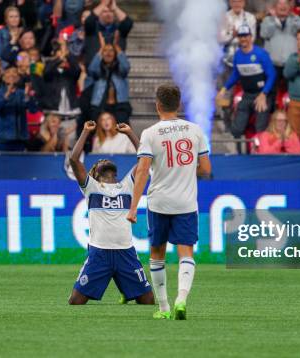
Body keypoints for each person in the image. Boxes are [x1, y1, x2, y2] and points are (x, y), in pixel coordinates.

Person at [127, 84, 212, 320]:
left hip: (159, 202)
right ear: (179, 105)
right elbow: (206, 169)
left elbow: (143, 170)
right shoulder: (195, 130)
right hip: (185, 203)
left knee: (157, 253)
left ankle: (163, 308)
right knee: (186, 253)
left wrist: (133, 208)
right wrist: (185, 169)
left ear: (157, 106)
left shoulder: (150, 133)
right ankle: (181, 299)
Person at [67, 119, 154, 305]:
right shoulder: (91, 187)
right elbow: (74, 160)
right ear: (95, 175)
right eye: (99, 162)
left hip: (126, 253)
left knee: (147, 301)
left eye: (105, 160)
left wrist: (130, 133)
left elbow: (146, 159)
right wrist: (85, 132)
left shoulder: (128, 185)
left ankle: (125, 288)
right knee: (75, 301)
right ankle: (124, 288)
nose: (103, 161)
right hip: (99, 254)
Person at [216, 25, 276, 141]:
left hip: (262, 95)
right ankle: (239, 154)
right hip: (247, 95)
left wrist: (264, 94)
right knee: (236, 129)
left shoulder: (261, 54)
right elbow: (236, 74)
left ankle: (261, 154)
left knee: (260, 128)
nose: (243, 39)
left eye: (246, 36)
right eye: (241, 36)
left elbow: (272, 75)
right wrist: (224, 89)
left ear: (251, 37)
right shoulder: (238, 55)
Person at [0, 66, 38, 151]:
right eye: (8, 72)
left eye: (14, 72)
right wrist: (7, 94)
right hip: (3, 138)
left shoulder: (22, 93)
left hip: (21, 138)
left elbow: (33, 110)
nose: (11, 74)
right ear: (3, 78)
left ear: (18, 78)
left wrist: (27, 96)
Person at [88, 43, 131, 125]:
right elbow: (91, 70)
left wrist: (118, 50)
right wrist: (100, 50)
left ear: (115, 54)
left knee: (122, 132)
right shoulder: (98, 70)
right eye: (105, 51)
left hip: (120, 105)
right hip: (100, 105)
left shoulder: (120, 70)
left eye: (111, 50)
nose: (108, 53)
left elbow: (126, 67)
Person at [260, 0, 300, 74]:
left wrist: (294, 16)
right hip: (272, 63)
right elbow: (265, 34)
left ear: (290, 7)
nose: (283, 6)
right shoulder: (267, 20)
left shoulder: (296, 19)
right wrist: (275, 19)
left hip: (291, 63)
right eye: (279, 3)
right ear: (274, 7)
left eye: (285, 3)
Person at [83, 0, 133, 66]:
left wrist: (115, 8)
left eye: (111, 12)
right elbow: (89, 21)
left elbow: (128, 23)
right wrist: (103, 4)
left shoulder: (119, 30)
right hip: (96, 70)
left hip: (115, 69)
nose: (108, 14)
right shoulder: (92, 29)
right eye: (105, 12)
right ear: (99, 14)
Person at [220, 0, 257, 68]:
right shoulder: (224, 17)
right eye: (234, 1)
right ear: (230, 3)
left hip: (245, 57)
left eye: (240, 1)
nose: (237, 4)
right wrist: (232, 35)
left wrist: (237, 37)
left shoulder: (250, 17)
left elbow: (252, 39)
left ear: (244, 3)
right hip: (226, 59)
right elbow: (221, 40)